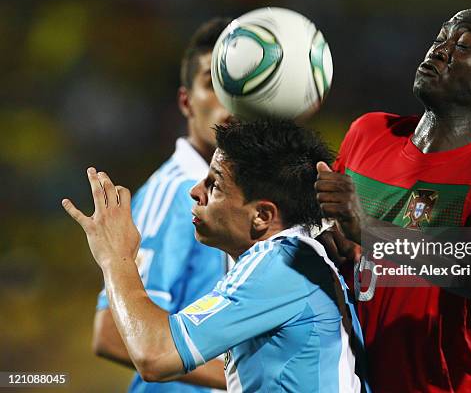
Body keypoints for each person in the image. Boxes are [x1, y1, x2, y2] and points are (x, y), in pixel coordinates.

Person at [315, 4, 471, 392]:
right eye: (441, 38)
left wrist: (370, 232)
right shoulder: (369, 133)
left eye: (464, 46)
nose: (439, 50)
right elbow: (334, 236)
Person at [63, 120, 364, 392]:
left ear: (262, 215)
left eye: (214, 184)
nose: (195, 191)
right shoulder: (298, 258)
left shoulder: (279, 265)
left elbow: (153, 354)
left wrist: (116, 256)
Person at [92, 17, 232, 392]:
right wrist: (239, 380)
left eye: (236, 85)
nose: (229, 100)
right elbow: (111, 333)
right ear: (186, 102)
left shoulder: (237, 195)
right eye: (212, 84)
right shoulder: (174, 192)